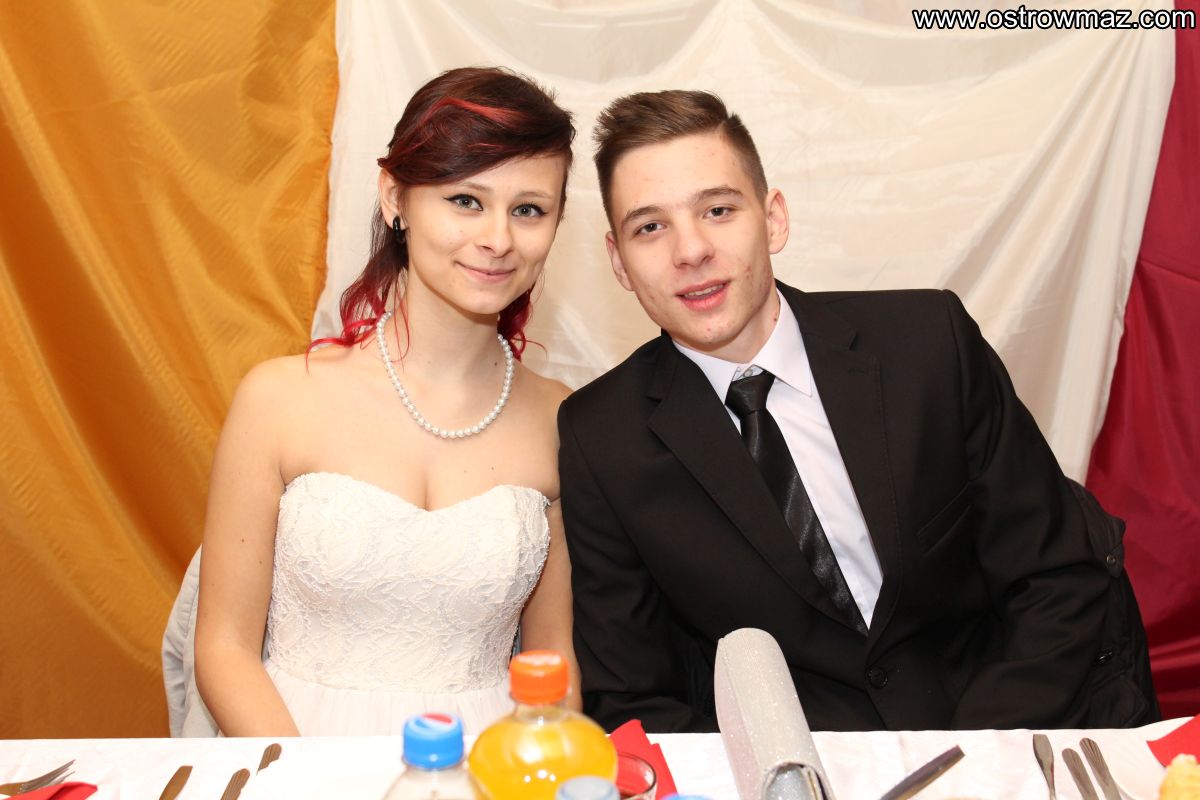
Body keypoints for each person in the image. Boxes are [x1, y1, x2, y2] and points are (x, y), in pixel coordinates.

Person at [558, 89, 1158, 733]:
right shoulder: (602, 438)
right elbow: (634, 698)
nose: (691, 250)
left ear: (773, 219)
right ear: (619, 261)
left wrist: (970, 763)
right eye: (650, 227)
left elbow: (1057, 577)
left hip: (998, 729)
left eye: (718, 210)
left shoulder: (928, 344)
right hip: (798, 760)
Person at [194, 67, 579, 736]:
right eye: (466, 200)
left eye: (528, 210)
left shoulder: (560, 420)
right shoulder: (279, 399)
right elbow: (223, 649)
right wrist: (311, 779)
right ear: (395, 197)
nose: (498, 239)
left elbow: (553, 661)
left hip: (488, 762)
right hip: (294, 754)